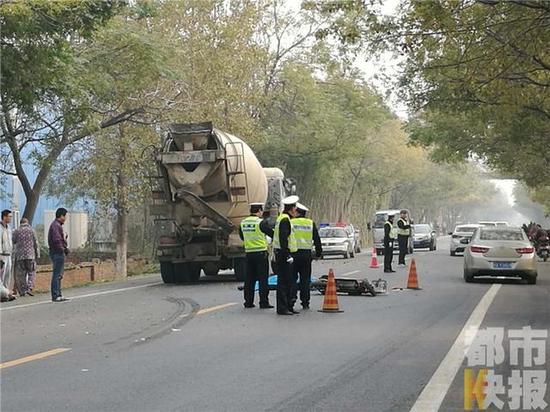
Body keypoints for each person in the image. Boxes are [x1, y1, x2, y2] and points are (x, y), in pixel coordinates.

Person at [239, 203, 274, 309]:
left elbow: (242, 236)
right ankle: (263, 302)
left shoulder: (243, 223)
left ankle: (248, 302)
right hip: (261, 254)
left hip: (249, 253)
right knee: (263, 279)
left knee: (249, 279)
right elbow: (272, 234)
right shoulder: (261, 222)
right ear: (259, 210)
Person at [290, 203, 322, 310]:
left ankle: (292, 299)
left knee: (293, 278)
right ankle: (305, 302)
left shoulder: (291, 222)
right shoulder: (310, 223)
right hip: (306, 255)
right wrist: (318, 253)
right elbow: (317, 239)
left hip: (293, 254)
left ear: (297, 212)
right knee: (305, 279)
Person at [273, 195, 299, 315]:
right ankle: (283, 308)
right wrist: (287, 254)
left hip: (283, 253)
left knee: (288, 281)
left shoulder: (283, 218)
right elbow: (283, 239)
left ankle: (288, 306)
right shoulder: (284, 220)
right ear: (291, 209)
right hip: (283, 255)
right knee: (284, 282)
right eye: (295, 208)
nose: (296, 211)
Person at [12, 218, 40, 297]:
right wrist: (38, 254)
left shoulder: (16, 231)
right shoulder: (32, 230)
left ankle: (23, 290)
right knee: (31, 272)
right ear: (27, 222)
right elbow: (36, 243)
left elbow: (13, 241)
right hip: (30, 255)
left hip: (20, 256)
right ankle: (30, 287)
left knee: (21, 274)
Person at [48, 208, 69, 302]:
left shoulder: (56, 225)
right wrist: (63, 249)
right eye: (64, 216)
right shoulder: (56, 226)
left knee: (59, 275)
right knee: (57, 274)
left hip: (57, 252)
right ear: (60, 216)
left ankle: (58, 294)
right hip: (57, 252)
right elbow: (57, 240)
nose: (65, 218)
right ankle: (56, 295)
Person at [0, 209, 14, 296]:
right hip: (3, 255)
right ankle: (2, 293)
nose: (10, 218)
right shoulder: (0, 228)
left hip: (9, 254)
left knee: (8, 275)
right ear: (4, 217)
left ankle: (6, 294)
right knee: (2, 275)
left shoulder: (9, 228)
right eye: (9, 216)